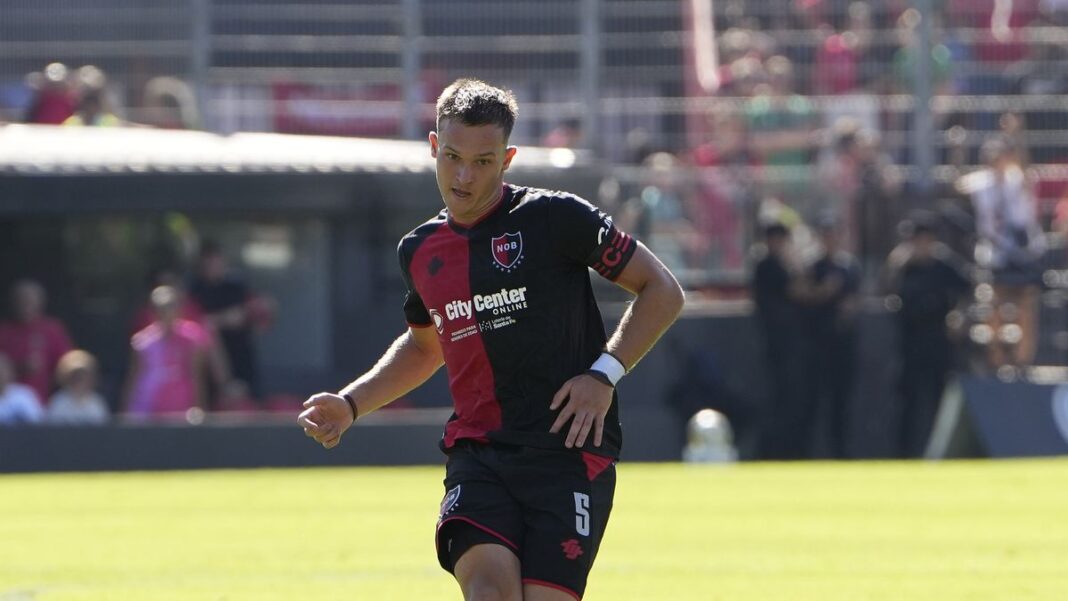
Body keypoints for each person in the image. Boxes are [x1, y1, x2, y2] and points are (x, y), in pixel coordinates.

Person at [298, 78, 684, 601]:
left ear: (508, 158)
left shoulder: (555, 218)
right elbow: (424, 346)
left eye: (483, 161)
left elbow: (662, 289)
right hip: (480, 454)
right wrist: (350, 402)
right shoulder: (420, 251)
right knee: (490, 594)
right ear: (434, 146)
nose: (463, 175)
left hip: (566, 452)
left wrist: (605, 373)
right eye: (453, 156)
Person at [884, 215, 970, 457]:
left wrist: (959, 315)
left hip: (938, 340)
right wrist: (895, 264)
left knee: (938, 399)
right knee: (906, 400)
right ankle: (903, 453)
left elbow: (970, 288)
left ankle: (939, 452)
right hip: (909, 342)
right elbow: (885, 289)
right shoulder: (903, 266)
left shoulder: (945, 266)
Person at [961, 138, 1045, 368]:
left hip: (1023, 252)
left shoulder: (1016, 180)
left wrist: (1018, 135)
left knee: (1026, 303)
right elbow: (958, 184)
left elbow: (1027, 174)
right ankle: (995, 358)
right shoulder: (980, 183)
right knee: (994, 304)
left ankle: (1023, 358)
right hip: (995, 253)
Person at [799, 219, 862, 459]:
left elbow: (855, 299)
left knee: (841, 402)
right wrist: (823, 292)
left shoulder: (849, 267)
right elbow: (801, 295)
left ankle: (841, 453)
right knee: (811, 401)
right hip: (816, 343)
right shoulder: (812, 267)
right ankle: (805, 453)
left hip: (843, 344)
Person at [750, 223, 808, 459]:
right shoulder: (767, 266)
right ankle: (775, 451)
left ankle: (787, 448)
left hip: (787, 342)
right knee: (780, 398)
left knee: (789, 397)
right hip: (776, 341)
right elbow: (799, 291)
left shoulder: (774, 265)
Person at [189, 242, 267, 400]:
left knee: (246, 396)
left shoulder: (236, 285)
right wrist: (222, 319)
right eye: (208, 263)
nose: (212, 266)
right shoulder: (195, 288)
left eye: (216, 261)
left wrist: (245, 315)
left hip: (240, 351)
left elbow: (258, 312)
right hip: (206, 359)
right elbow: (196, 322)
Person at [123, 286, 212, 417]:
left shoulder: (193, 338)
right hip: (147, 408)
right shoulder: (141, 342)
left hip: (182, 406)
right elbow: (134, 377)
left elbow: (196, 376)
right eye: (160, 309)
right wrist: (127, 411)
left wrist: (199, 408)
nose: (165, 313)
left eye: (170, 307)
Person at [0, 279, 74, 403]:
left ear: (40, 303)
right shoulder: (3, 331)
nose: (26, 305)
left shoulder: (53, 329)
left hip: (47, 402)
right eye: (21, 301)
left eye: (30, 301)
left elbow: (68, 366)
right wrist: (19, 367)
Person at [46, 349, 110, 425]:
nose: (79, 380)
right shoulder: (58, 402)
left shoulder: (97, 403)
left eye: (84, 375)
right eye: (75, 376)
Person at [0, 352, 44, 425]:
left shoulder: (25, 394)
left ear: (10, 371)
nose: (0, 374)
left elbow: (38, 424)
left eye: (2, 369)